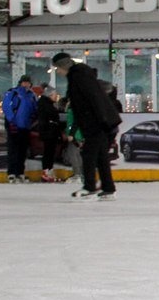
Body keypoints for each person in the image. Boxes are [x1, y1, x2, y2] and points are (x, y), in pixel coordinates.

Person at [51, 52, 120, 201]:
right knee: (101, 157)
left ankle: (90, 187)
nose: (57, 72)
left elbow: (91, 99)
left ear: (64, 65)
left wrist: (99, 120)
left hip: (94, 122)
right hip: (98, 121)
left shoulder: (79, 76)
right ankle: (108, 188)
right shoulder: (81, 74)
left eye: (57, 68)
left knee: (88, 155)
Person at [2, 75, 38, 183]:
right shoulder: (13, 93)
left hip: (25, 127)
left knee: (22, 151)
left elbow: (34, 109)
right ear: (21, 83)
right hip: (14, 126)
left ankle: (20, 172)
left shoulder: (31, 96)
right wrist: (11, 120)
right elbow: (6, 107)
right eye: (24, 82)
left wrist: (32, 120)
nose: (26, 84)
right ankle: (12, 172)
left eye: (28, 82)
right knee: (13, 150)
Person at [36, 86, 64, 183]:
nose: (56, 96)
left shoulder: (48, 104)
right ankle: (46, 172)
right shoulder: (45, 105)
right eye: (54, 95)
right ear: (50, 95)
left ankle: (49, 171)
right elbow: (46, 119)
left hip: (51, 132)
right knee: (48, 152)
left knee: (50, 153)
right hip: (49, 133)